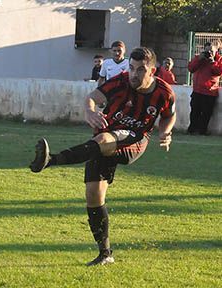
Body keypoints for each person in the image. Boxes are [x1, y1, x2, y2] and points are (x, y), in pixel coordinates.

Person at [29, 47, 176, 266]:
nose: (134, 74)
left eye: (141, 70)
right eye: (132, 68)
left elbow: (169, 116)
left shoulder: (164, 93)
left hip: (134, 140)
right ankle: (105, 254)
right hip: (102, 140)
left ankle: (52, 160)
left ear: (153, 71)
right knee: (93, 195)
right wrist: (89, 111)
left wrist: (165, 131)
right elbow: (92, 97)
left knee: (105, 139)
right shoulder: (120, 81)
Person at [187, 41, 222, 136]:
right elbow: (190, 68)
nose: (209, 53)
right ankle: (192, 130)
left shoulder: (219, 60)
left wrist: (212, 62)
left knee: (206, 114)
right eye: (207, 51)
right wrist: (199, 59)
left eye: (211, 51)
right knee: (194, 112)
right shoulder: (199, 58)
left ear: (216, 51)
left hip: (210, 92)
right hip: (197, 90)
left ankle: (202, 131)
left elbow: (219, 72)